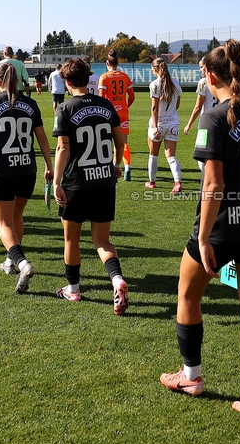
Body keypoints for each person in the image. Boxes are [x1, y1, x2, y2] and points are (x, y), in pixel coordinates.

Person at [159, 39, 240, 424]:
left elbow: (213, 185)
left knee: (187, 295)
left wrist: (203, 236)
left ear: (212, 77)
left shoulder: (213, 118)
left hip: (224, 227)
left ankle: (191, 377)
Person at [52, 58, 129, 313]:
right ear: (89, 78)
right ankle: (117, 280)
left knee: (71, 240)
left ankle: (73, 290)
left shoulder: (64, 108)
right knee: (102, 241)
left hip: (76, 182)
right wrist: (116, 164)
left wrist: (56, 181)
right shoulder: (106, 105)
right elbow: (120, 142)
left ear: (67, 81)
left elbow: (63, 147)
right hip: (104, 181)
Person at [0, 61, 53, 293]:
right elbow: (43, 139)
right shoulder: (31, 103)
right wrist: (49, 165)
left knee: (4, 222)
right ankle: (10, 260)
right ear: (17, 81)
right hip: (27, 168)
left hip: (2, 169)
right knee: (17, 216)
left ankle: (21, 262)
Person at [145, 57, 184, 193]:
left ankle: (152, 182)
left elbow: (154, 108)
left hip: (159, 125)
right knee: (171, 156)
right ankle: (177, 182)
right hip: (173, 124)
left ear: (155, 69)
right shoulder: (175, 82)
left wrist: (155, 127)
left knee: (153, 155)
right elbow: (177, 104)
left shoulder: (155, 84)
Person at [98, 50, 136, 180]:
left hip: (109, 114)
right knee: (123, 143)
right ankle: (127, 168)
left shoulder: (104, 77)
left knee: (107, 141)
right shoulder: (125, 76)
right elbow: (132, 96)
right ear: (117, 62)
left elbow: (101, 99)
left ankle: (109, 167)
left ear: (107, 63)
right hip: (123, 113)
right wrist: (125, 106)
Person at [183, 58, 220, 174]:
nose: (200, 70)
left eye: (201, 67)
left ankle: (207, 177)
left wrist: (189, 124)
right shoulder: (222, 80)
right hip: (221, 121)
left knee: (200, 152)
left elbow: (198, 107)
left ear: (208, 66)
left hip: (206, 123)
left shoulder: (203, 82)